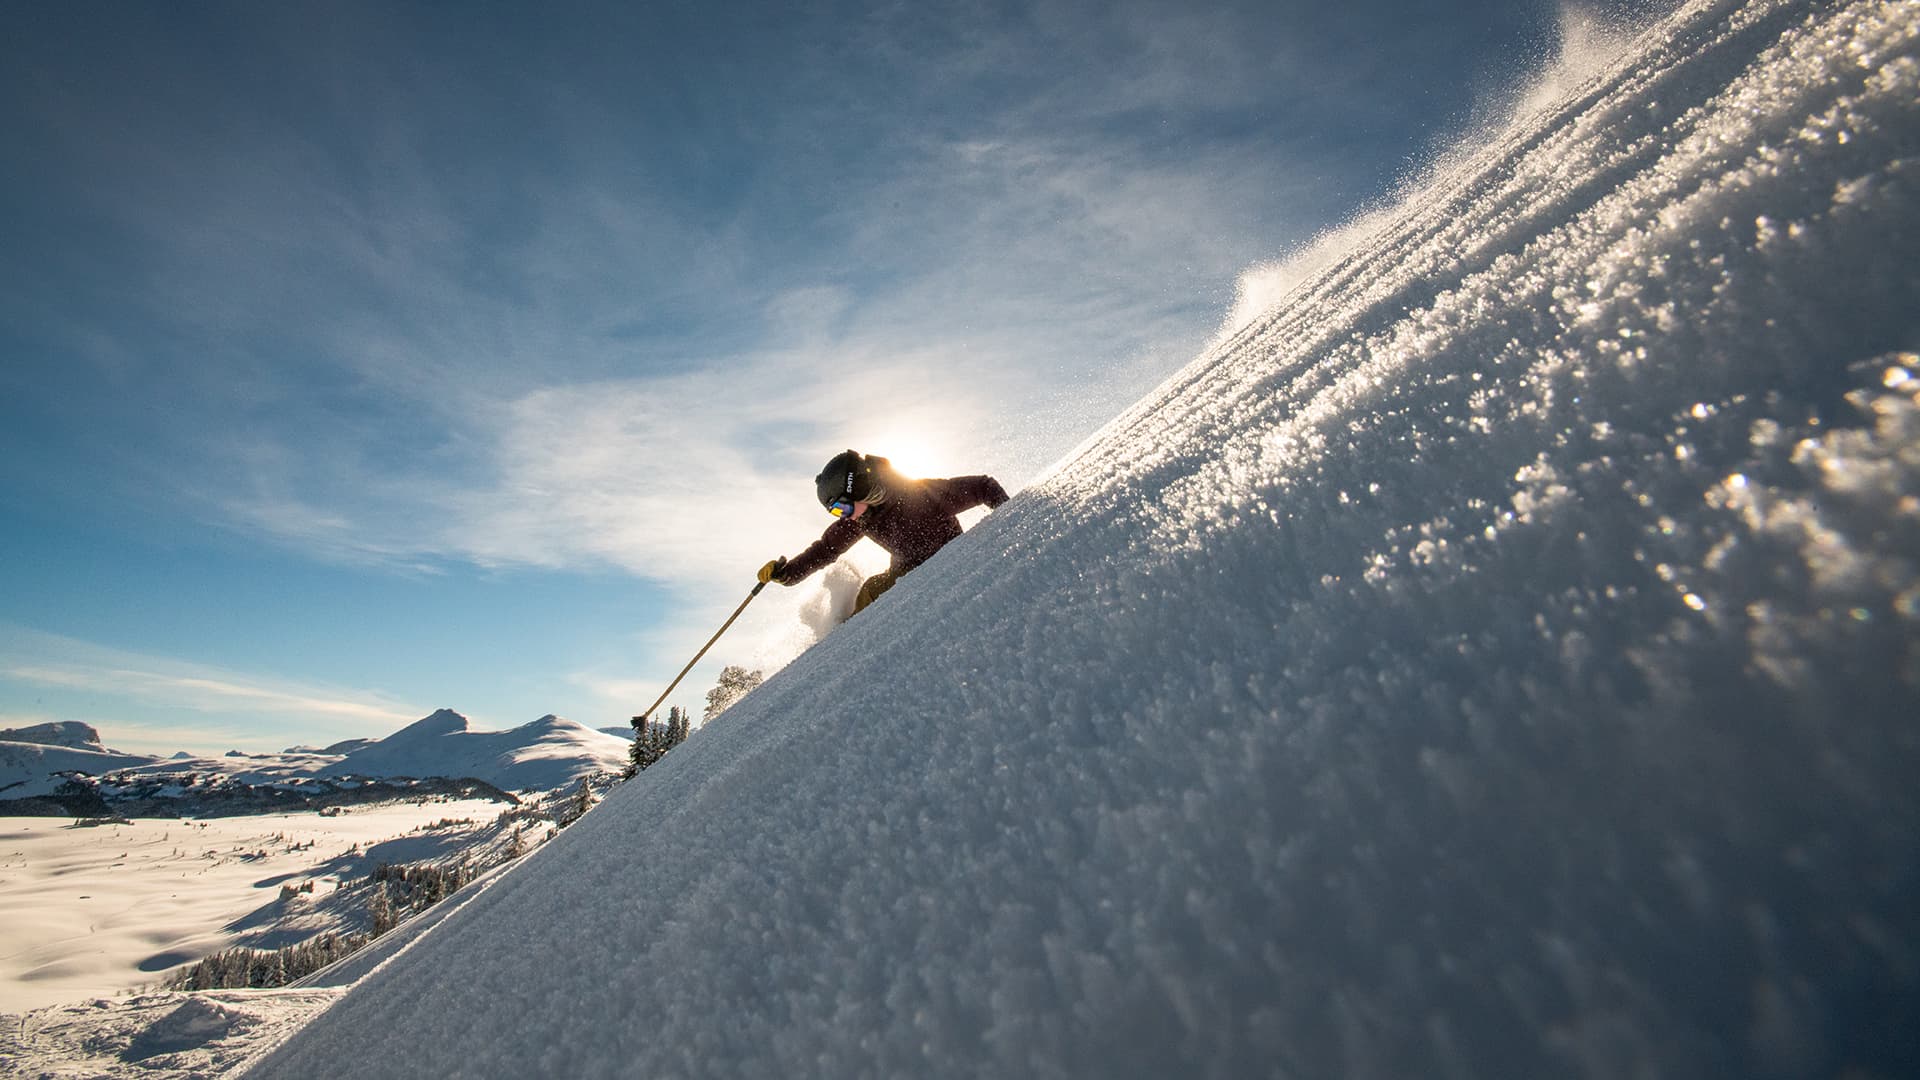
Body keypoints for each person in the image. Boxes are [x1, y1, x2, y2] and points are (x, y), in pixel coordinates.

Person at [758, 449, 1009, 615]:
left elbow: (983, 486)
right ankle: (849, 645)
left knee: (879, 591)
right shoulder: (861, 518)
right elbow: (826, 549)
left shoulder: (920, 493)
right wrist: (787, 574)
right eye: (836, 512)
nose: (844, 515)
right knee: (872, 590)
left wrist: (1014, 521)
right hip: (906, 571)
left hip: (950, 559)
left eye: (842, 507)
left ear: (859, 488)